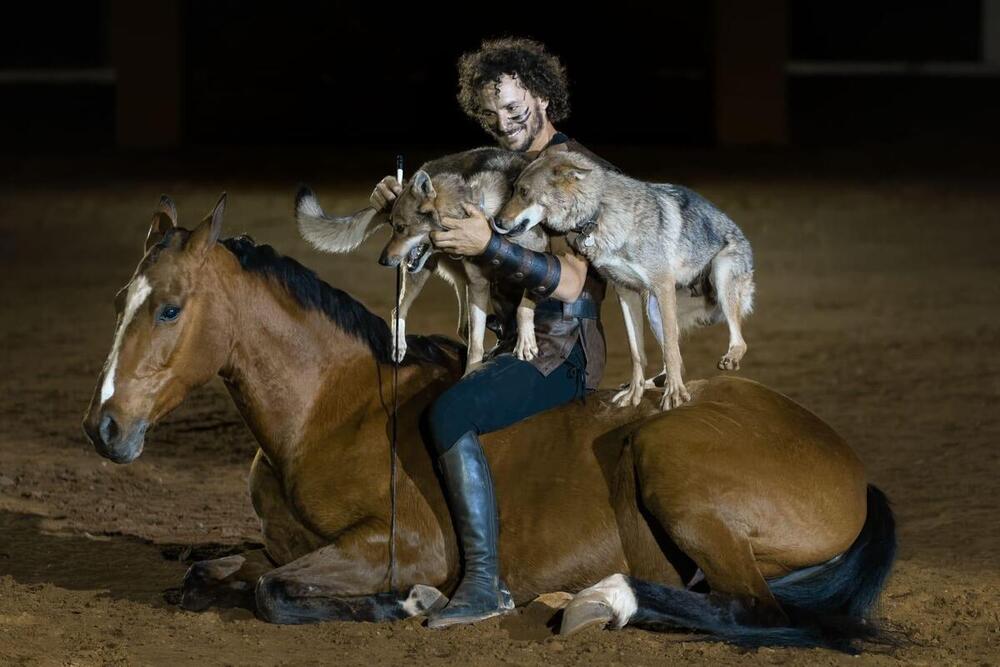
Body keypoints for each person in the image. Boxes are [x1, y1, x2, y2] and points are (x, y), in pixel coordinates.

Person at [369, 38, 617, 628]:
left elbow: (575, 283)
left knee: (450, 415)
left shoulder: (571, 169)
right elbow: (436, 230)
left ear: (540, 95)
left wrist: (492, 246)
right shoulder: (489, 164)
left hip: (562, 348)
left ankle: (485, 585)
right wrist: (403, 209)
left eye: (513, 108)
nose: (503, 124)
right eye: (490, 114)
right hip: (503, 337)